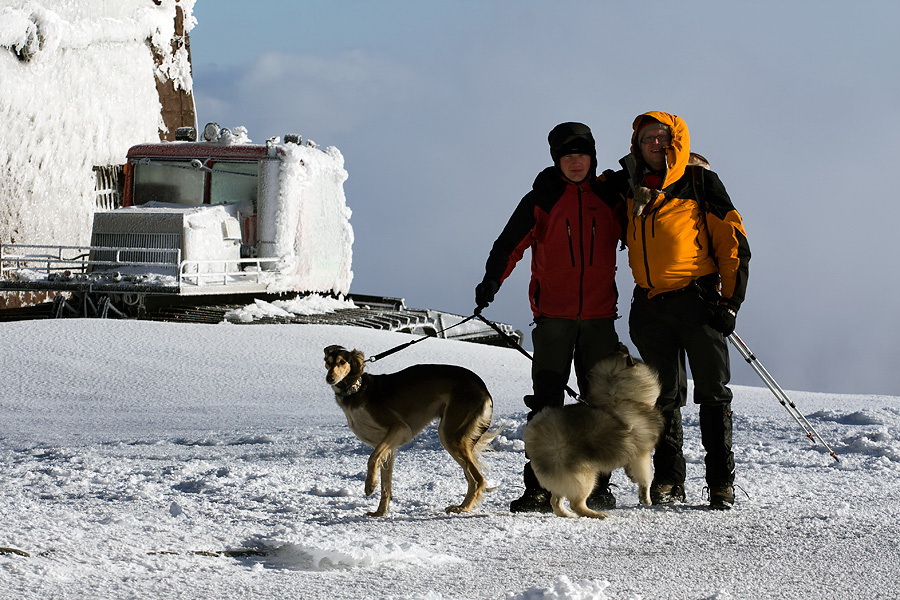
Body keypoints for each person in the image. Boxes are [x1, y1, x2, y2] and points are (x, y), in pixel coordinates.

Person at [474, 122, 624, 513]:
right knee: (546, 406)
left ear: (593, 156)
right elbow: (509, 245)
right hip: (553, 318)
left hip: (599, 317)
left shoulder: (611, 197)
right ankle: (539, 488)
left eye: (582, 154)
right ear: (557, 159)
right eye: (567, 156)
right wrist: (492, 281)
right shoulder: (542, 198)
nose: (576, 162)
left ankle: (598, 485)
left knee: (600, 405)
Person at [615, 111, 750, 510]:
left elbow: (733, 242)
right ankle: (669, 480)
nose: (655, 144)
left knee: (713, 393)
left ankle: (720, 483)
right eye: (647, 138)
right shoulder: (629, 187)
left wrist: (731, 302)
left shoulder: (700, 182)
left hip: (699, 301)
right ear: (636, 146)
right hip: (651, 305)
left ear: (677, 141)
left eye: (662, 136)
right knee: (662, 397)